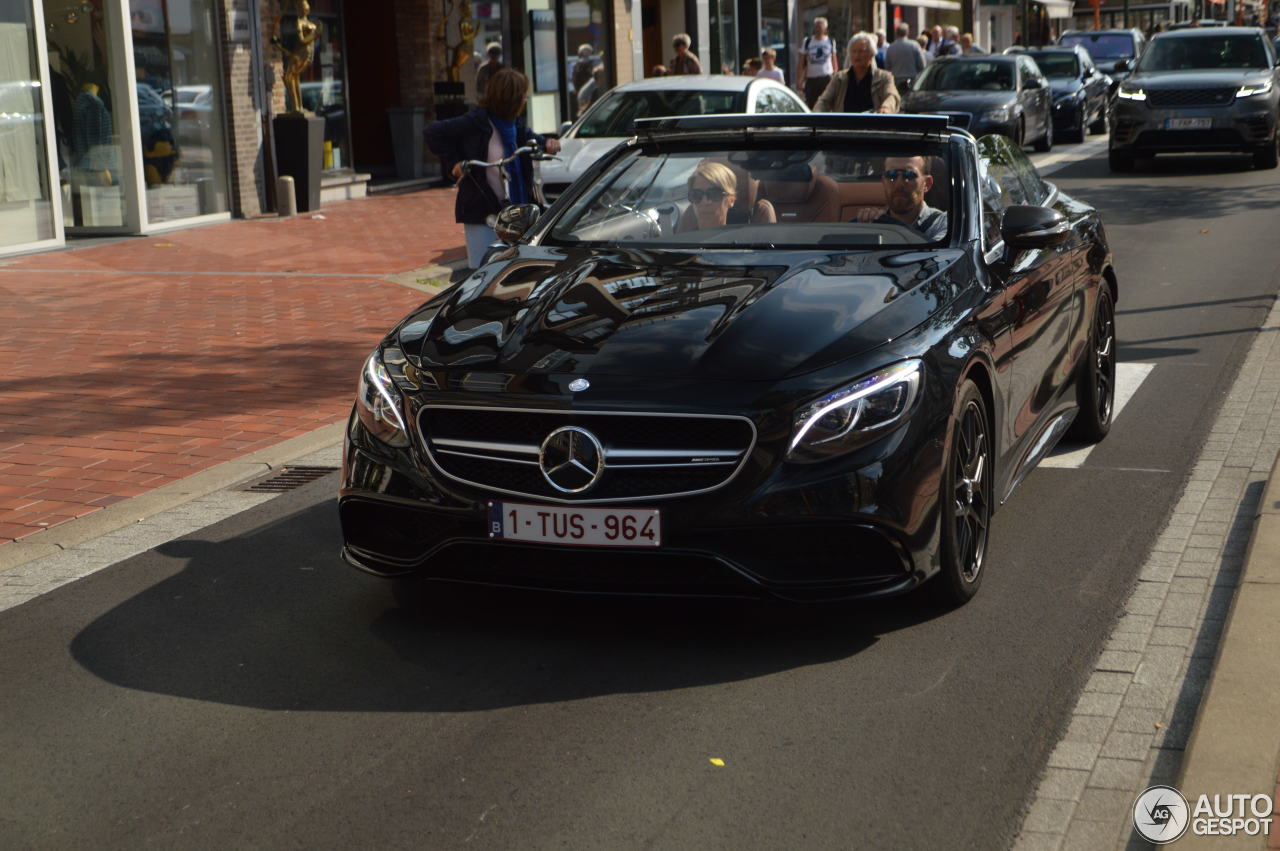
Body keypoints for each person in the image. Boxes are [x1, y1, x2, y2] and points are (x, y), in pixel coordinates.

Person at [424, 69, 562, 269]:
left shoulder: (515, 123)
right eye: (523, 95)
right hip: (483, 210)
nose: (526, 99)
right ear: (510, 98)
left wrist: (548, 143)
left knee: (519, 269)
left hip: (517, 211)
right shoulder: (476, 122)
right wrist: (455, 163)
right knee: (483, 269)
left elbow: (533, 140)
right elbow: (432, 132)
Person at [855, 155, 948, 241]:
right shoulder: (872, 223)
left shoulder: (943, 224)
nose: (899, 184)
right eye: (891, 175)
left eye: (909, 175)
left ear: (926, 184)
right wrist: (866, 226)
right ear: (883, 181)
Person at [814, 33, 901, 114]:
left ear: (872, 54)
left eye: (861, 51)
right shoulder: (839, 78)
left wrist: (886, 107)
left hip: (872, 128)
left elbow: (892, 96)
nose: (857, 55)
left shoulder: (884, 78)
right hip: (844, 128)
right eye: (854, 51)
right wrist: (817, 115)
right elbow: (824, 101)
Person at [679, 161, 775, 231]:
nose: (705, 202)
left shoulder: (748, 245)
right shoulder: (680, 243)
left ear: (731, 200)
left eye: (714, 194)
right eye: (696, 195)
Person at [796, 17, 838, 108]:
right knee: (812, 104)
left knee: (828, 103)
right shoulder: (807, 41)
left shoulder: (830, 41)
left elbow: (834, 60)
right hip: (812, 79)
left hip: (827, 78)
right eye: (817, 27)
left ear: (825, 29)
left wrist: (835, 75)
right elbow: (801, 62)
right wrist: (799, 79)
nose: (818, 29)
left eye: (820, 27)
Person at [886, 22, 928, 91]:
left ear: (896, 33)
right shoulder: (914, 45)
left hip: (896, 80)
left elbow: (887, 67)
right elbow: (922, 65)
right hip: (912, 80)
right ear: (907, 33)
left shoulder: (891, 47)